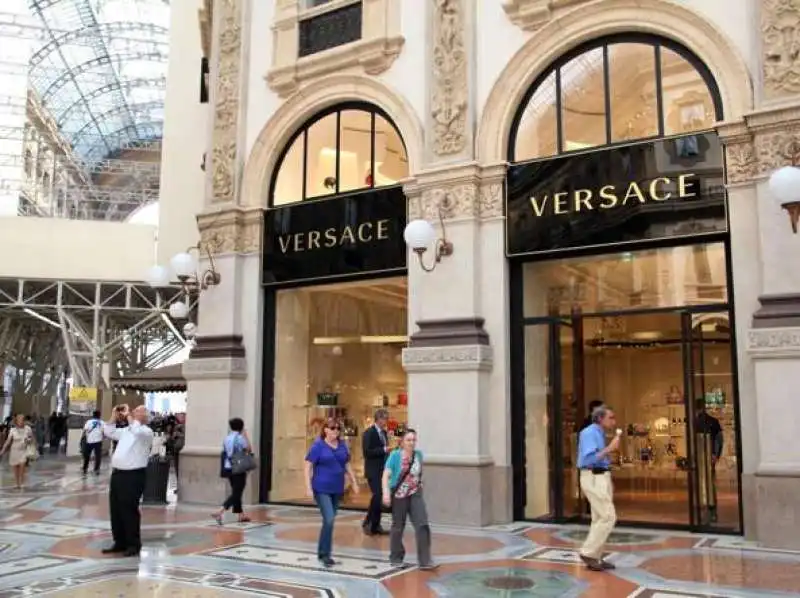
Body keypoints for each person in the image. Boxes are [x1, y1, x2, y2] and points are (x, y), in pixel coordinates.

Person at [304, 417, 359, 567]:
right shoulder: (318, 446)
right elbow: (307, 466)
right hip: (321, 488)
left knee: (330, 520)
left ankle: (323, 550)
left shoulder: (342, 446)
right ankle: (324, 555)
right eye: (332, 428)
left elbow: (347, 464)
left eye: (338, 428)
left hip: (337, 488)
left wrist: (354, 482)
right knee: (329, 518)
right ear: (325, 430)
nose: (336, 431)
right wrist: (308, 487)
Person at [101, 404, 153, 557]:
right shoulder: (126, 431)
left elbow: (137, 430)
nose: (133, 412)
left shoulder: (146, 432)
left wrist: (130, 416)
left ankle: (133, 544)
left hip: (133, 476)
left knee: (129, 510)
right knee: (116, 510)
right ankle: (119, 542)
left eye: (138, 411)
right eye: (134, 410)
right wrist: (113, 416)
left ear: (145, 416)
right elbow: (108, 431)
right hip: (118, 475)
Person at [382, 429, 437, 570]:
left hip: (415, 494)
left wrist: (419, 483)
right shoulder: (395, 456)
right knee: (398, 527)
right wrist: (386, 493)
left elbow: (418, 473)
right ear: (402, 441)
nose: (411, 443)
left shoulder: (418, 455)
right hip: (399, 494)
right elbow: (386, 476)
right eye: (408, 440)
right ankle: (396, 557)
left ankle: (425, 560)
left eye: (413, 440)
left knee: (422, 524)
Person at [577, 404, 620, 572]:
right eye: (611, 417)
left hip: (601, 476)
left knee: (599, 518)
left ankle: (595, 556)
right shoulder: (589, 433)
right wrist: (610, 448)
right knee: (608, 516)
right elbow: (589, 460)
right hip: (593, 477)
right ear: (600, 418)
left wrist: (608, 477)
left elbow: (600, 459)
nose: (614, 421)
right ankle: (588, 552)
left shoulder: (599, 433)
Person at [212, 417, 252, 524]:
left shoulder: (227, 438)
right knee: (237, 492)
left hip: (228, 467)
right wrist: (246, 436)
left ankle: (241, 515)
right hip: (238, 467)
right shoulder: (240, 438)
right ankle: (220, 512)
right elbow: (249, 449)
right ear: (241, 427)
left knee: (236, 491)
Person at [362, 408, 390, 536]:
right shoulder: (368, 433)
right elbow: (367, 452)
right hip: (372, 471)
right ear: (378, 419)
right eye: (385, 419)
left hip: (382, 471)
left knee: (379, 498)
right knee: (377, 495)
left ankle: (374, 523)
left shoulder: (384, 433)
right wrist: (383, 449)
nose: (386, 421)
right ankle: (370, 523)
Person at [694, 399, 723, 523]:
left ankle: (708, 510)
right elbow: (719, 440)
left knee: (704, 484)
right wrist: (716, 454)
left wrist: (715, 454)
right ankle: (711, 511)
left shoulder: (697, 423)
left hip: (703, 458)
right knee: (710, 484)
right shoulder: (711, 422)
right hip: (707, 457)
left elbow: (718, 439)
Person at [0, 414, 34, 489]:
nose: (21, 421)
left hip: (23, 450)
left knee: (22, 466)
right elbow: (8, 441)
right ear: (16, 421)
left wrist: (28, 440)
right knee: (15, 468)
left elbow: (31, 438)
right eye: (19, 420)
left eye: (22, 420)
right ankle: (17, 483)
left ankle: (21, 483)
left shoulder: (28, 428)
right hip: (14, 450)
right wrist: (2, 450)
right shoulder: (13, 430)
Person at [81, 410, 104, 476]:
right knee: (98, 456)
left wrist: (82, 438)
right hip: (98, 441)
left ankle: (85, 468)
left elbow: (85, 430)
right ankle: (96, 469)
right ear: (99, 415)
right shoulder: (102, 422)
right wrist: (103, 437)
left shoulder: (89, 422)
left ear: (93, 415)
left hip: (89, 441)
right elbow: (104, 432)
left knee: (87, 455)